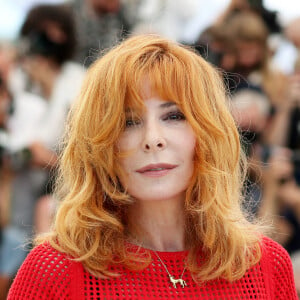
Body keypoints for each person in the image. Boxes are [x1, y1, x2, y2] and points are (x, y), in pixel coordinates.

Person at [7, 35, 297, 299]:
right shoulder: (55, 269)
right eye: (129, 122)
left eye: (173, 116)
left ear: (207, 132)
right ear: (100, 144)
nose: (153, 140)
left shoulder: (266, 263)